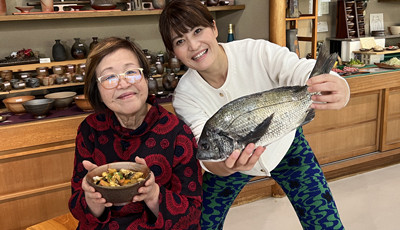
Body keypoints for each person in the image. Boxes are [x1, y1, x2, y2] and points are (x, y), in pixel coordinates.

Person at [159, 1, 350, 229]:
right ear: (173, 52)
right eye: (180, 41)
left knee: (325, 222)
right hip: (227, 159)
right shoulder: (185, 95)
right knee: (200, 224)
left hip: (286, 146)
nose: (193, 45)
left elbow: (297, 70)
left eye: (198, 31)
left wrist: (338, 86)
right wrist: (227, 167)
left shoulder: (256, 52)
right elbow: (204, 147)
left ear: (214, 27)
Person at [68, 37, 202, 229]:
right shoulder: (90, 130)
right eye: (109, 78)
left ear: (145, 77)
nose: (123, 84)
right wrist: (92, 200)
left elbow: (192, 214)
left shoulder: (177, 133)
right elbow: (76, 205)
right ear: (96, 90)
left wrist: (153, 194)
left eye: (131, 72)